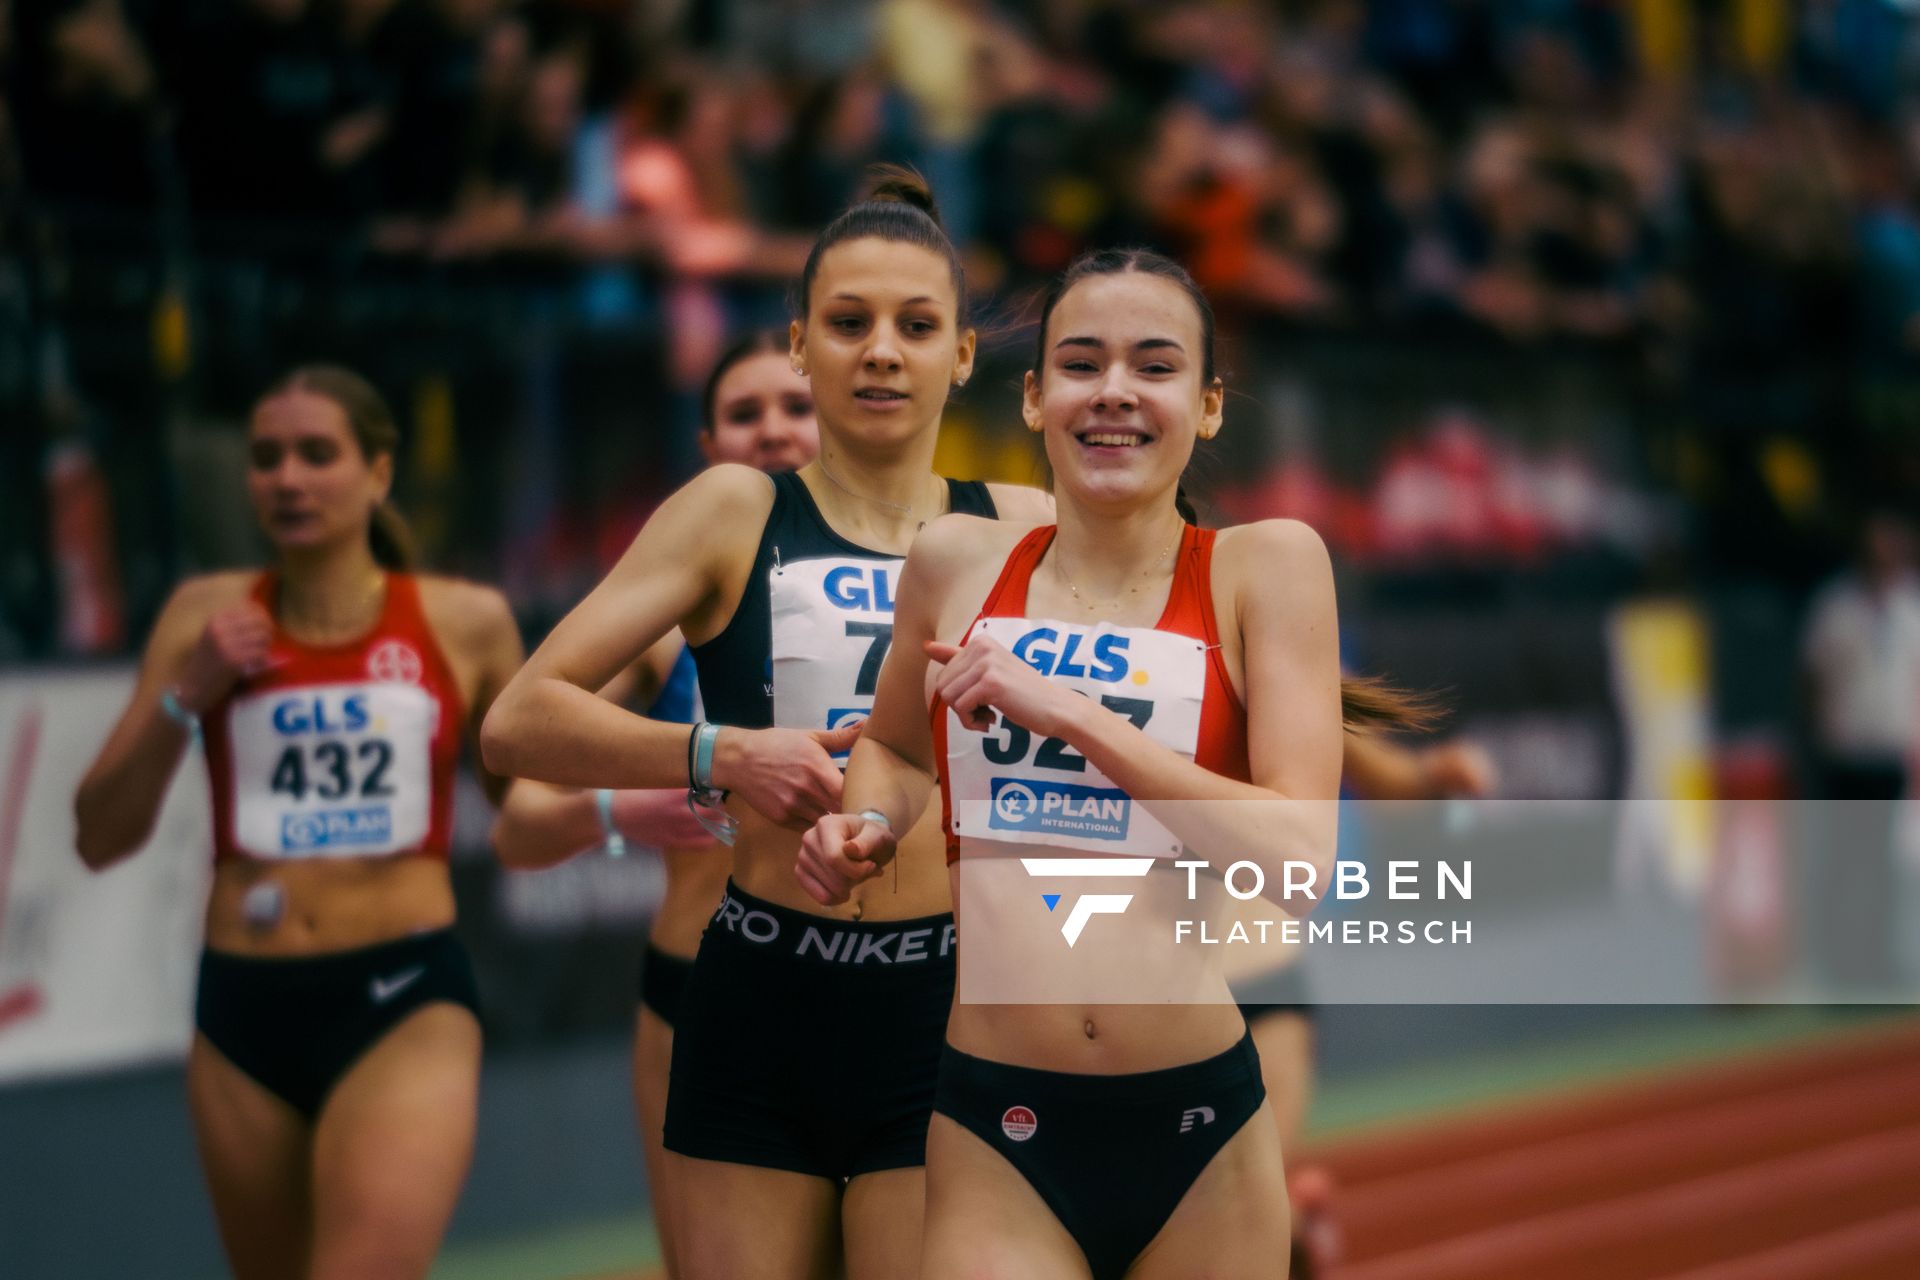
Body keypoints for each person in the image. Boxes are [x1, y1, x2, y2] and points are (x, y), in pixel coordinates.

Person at [481, 169, 1052, 1280]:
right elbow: (517, 722)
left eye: (915, 325)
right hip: (757, 996)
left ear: (965, 357)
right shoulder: (733, 510)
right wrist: (718, 751)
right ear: (800, 345)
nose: (880, 350)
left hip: (943, 1004)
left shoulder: (1022, 525)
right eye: (848, 324)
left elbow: (1192, 650)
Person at [798, 247, 1413, 1277]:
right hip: (997, 1122)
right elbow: (899, 746)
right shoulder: (954, 560)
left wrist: (1078, 715)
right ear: (1035, 397)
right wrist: (864, 820)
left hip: (1198, 1128)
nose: (1114, 391)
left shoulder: (1268, 566)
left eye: (1155, 365)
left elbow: (1297, 863)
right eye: (1081, 364)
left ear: (1209, 405)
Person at [73, 366, 525, 1280]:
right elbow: (98, 835)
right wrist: (185, 695)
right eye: (267, 459)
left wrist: (663, 782)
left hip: (401, 998)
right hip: (244, 1012)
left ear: (379, 473)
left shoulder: (465, 621)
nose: (288, 479)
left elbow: (531, 808)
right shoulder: (205, 618)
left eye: (318, 455)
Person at [487, 329, 820, 1276]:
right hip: (702, 996)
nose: (773, 431)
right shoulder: (663, 630)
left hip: (886, 989)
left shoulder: (912, 591)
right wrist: (623, 810)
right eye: (744, 415)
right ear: (710, 448)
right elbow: (515, 823)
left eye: (795, 407)